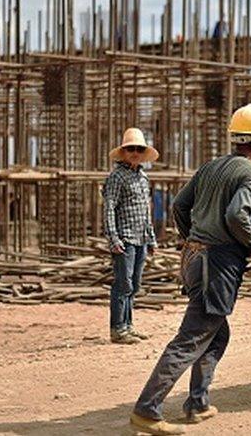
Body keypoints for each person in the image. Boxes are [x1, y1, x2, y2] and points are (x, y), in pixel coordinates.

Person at [129, 103, 251, 435]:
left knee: (216, 333)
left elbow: (181, 205)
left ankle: (197, 403)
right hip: (216, 264)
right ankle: (147, 410)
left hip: (194, 258)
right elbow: (237, 216)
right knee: (192, 336)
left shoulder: (211, 166)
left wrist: (195, 238)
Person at [103, 127, 160, 345]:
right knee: (122, 284)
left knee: (134, 284)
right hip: (125, 238)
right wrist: (113, 239)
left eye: (138, 149)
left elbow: (146, 211)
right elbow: (109, 209)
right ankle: (118, 329)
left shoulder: (143, 178)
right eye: (130, 149)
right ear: (124, 152)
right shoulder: (117, 177)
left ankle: (128, 325)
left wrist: (151, 238)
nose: (135, 152)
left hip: (140, 239)